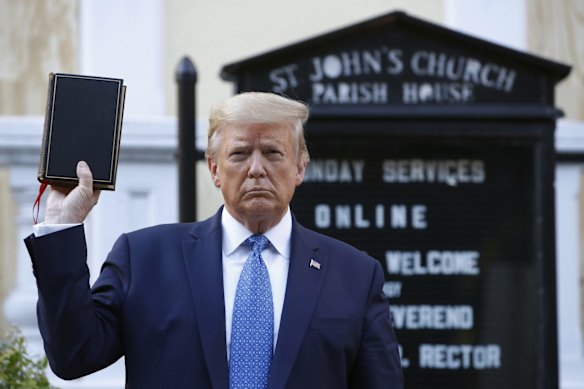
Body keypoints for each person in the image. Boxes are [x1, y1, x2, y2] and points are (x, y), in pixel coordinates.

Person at [25, 92, 404, 388]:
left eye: (273, 152)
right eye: (239, 153)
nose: (257, 169)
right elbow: (73, 355)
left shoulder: (354, 275)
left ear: (300, 167)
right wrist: (63, 225)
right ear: (214, 169)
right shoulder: (145, 259)